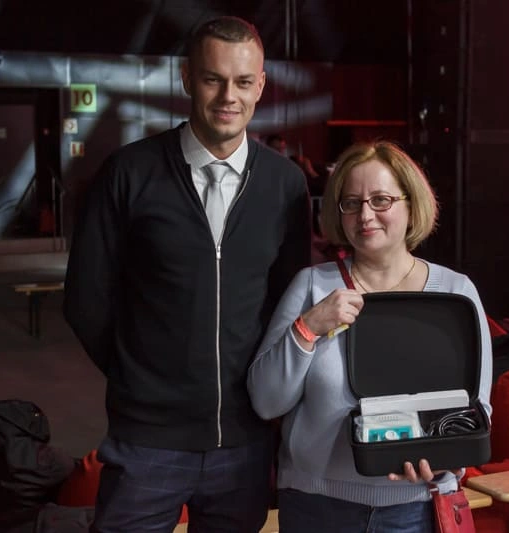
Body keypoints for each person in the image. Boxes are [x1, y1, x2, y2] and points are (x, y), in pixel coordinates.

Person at [63, 16, 311, 533]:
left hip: (245, 442)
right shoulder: (129, 172)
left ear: (261, 85)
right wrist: (139, 376)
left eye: (243, 82)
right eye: (212, 79)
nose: (228, 96)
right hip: (148, 440)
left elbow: (287, 302)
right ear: (187, 79)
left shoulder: (285, 185)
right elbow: (86, 298)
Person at [247, 141, 492, 533]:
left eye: (381, 200)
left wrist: (445, 461)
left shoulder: (454, 292)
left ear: (411, 204)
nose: (365, 215)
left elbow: (476, 409)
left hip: (416, 508)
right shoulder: (312, 287)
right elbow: (265, 401)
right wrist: (307, 328)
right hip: (316, 508)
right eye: (351, 203)